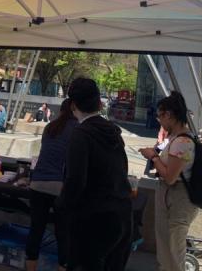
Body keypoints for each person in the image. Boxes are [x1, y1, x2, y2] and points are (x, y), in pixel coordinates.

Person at [59, 78, 132, 271]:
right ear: (99, 102)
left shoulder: (81, 134)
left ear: (73, 105)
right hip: (122, 215)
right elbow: (122, 169)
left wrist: (64, 206)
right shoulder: (113, 132)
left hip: (94, 218)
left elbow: (76, 180)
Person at [139, 91, 198, 271]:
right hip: (172, 199)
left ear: (169, 115)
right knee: (166, 248)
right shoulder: (177, 139)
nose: (159, 120)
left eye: (159, 116)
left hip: (178, 201)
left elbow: (171, 177)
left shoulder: (182, 142)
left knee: (173, 250)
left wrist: (154, 157)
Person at [26, 99, 76, 271]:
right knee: (63, 234)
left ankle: (30, 267)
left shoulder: (50, 127)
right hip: (59, 186)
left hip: (37, 183)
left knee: (36, 230)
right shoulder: (77, 129)